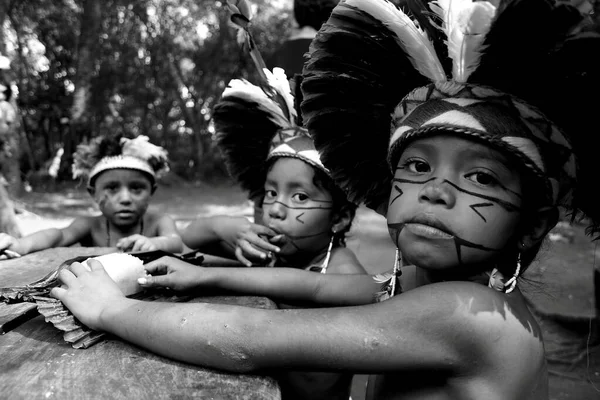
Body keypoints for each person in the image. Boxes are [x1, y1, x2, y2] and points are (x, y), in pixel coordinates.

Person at [49, 1, 600, 399]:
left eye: (481, 178)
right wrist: (206, 276)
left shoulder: (471, 319)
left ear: (532, 227)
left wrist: (113, 309)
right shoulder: (421, 289)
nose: (435, 188)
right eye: (417, 165)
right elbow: (312, 284)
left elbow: (251, 339)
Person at [180, 64, 367, 398]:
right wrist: (224, 227)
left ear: (339, 218)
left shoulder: (344, 271)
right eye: (270, 193)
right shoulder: (273, 247)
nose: (277, 208)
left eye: (299, 196)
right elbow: (189, 239)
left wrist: (205, 276)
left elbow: (306, 287)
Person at [0, 134, 183, 257]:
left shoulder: (159, 222)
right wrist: (21, 245)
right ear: (93, 194)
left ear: (152, 191)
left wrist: (155, 243)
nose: (125, 199)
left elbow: (174, 242)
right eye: (112, 189)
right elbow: (58, 236)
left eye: (136, 188)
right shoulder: (90, 225)